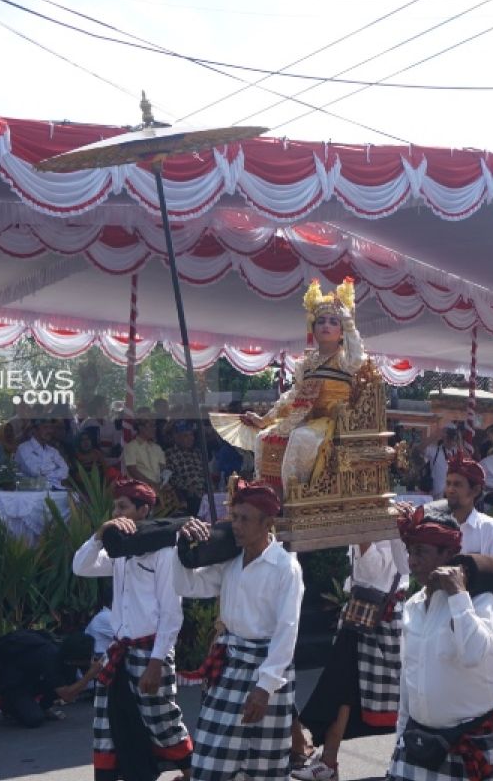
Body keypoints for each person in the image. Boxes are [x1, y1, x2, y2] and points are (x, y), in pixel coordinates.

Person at [175, 480, 303, 781]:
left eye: (244, 518)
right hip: (230, 664)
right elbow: (187, 585)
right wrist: (180, 548)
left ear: (267, 523)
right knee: (209, 759)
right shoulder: (230, 561)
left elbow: (288, 630)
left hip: (267, 671)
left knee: (263, 766)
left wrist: (264, 688)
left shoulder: (286, 567)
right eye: (234, 517)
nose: (236, 525)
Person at [72, 478, 194, 781]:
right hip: (119, 650)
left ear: (143, 510)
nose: (116, 513)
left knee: (163, 721)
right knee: (108, 726)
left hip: (151, 651)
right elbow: (80, 566)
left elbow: (171, 612)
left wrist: (156, 663)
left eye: (123, 506)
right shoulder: (118, 550)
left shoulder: (165, 552)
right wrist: (99, 536)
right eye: (115, 506)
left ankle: (196, 774)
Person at [385, 505, 493, 781]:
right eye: (410, 552)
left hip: (472, 741)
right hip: (418, 741)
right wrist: (401, 735)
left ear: (448, 555)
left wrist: (457, 594)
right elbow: (410, 677)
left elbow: (474, 653)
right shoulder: (414, 606)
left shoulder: (480, 601)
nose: (412, 562)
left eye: (421, 553)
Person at [293, 535, 408, 781]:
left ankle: (408, 759)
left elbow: (372, 570)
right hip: (360, 616)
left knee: (397, 696)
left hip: (381, 623)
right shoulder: (366, 527)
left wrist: (362, 533)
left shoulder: (390, 529)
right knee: (343, 691)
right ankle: (328, 761)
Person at [238, 278, 365, 495]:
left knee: (300, 438)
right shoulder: (306, 363)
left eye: (334, 322)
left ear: (342, 331)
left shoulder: (344, 360)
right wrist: (264, 420)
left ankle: (295, 496)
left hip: (334, 422)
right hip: (306, 418)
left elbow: (357, 358)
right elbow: (292, 396)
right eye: (321, 321)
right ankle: (265, 493)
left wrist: (349, 321)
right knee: (263, 437)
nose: (326, 325)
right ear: (312, 328)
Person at [441, 459, 493, 630]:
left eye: (457, 484)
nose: (450, 490)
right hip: (440, 621)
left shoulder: (489, 528)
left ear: (475, 490)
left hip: (478, 622)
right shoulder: (437, 525)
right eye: (448, 483)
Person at [0, 630, 101, 728]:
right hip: (14, 681)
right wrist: (89, 675)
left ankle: (44, 706)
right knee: (34, 719)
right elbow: (66, 696)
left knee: (69, 679)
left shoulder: (67, 656)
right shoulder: (50, 658)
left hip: (32, 677)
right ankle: (9, 703)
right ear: (77, 658)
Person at [164, 422, 209, 515]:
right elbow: (171, 477)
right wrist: (187, 488)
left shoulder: (197, 453)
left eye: (191, 435)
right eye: (186, 436)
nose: (190, 438)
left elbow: (205, 473)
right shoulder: (170, 453)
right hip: (187, 495)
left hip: (204, 493)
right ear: (177, 438)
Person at [15, 420, 70, 489]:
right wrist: (54, 469)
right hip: (31, 494)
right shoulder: (23, 448)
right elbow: (34, 472)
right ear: (35, 430)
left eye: (51, 428)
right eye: (45, 427)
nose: (50, 431)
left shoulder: (53, 451)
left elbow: (65, 471)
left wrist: (45, 473)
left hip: (54, 492)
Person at [124, 419, 166, 488]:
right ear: (141, 427)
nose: (154, 428)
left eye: (154, 426)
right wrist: (151, 484)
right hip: (140, 489)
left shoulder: (157, 447)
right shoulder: (131, 446)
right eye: (151, 426)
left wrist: (163, 483)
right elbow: (132, 471)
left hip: (158, 488)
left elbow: (163, 468)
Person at [422, 426, 463, 497]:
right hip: (438, 492)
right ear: (444, 438)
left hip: (453, 492)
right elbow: (419, 449)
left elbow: (469, 459)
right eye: (449, 438)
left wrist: (460, 440)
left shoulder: (457, 452)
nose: (451, 441)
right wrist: (436, 434)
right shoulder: (435, 450)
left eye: (453, 439)